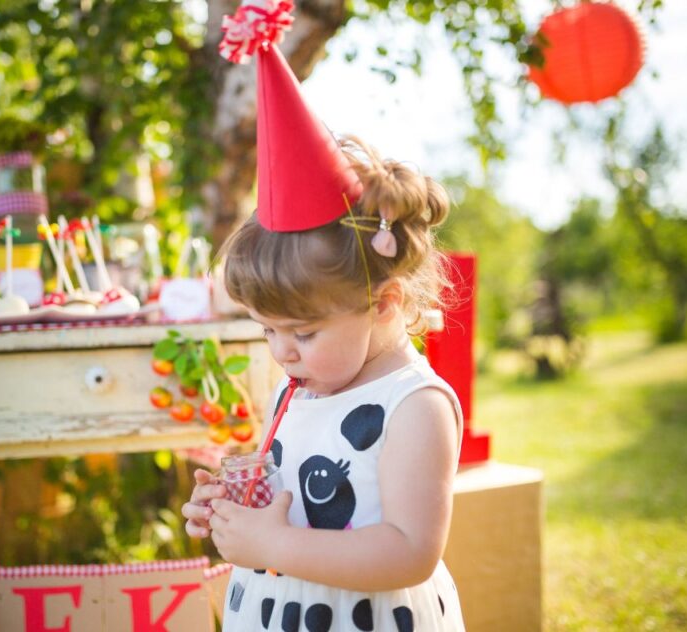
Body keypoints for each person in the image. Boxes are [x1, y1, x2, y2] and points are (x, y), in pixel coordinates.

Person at [181, 10, 466, 628]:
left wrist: (275, 546)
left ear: (384, 303)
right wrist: (235, 509)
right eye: (267, 330)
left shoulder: (413, 405)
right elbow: (293, 495)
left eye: (303, 333)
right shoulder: (301, 382)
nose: (282, 351)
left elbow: (411, 551)